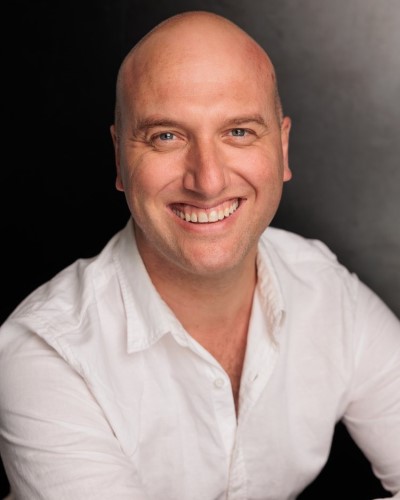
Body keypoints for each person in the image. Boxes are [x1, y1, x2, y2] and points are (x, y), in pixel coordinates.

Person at [0, 10, 399, 500]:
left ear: (283, 147)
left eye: (239, 132)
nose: (207, 180)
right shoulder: (45, 354)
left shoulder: (328, 290)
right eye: (166, 136)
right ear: (120, 160)